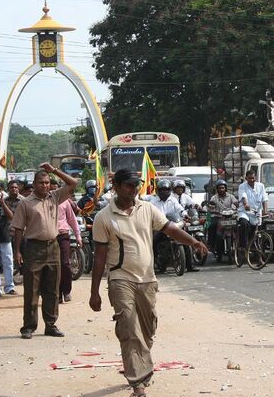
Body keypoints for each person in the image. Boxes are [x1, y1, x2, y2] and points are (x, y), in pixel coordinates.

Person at [89, 169, 208, 397]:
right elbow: (100, 256)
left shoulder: (147, 208)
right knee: (129, 328)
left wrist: (193, 242)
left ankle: (139, 362)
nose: (134, 190)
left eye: (136, 185)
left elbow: (170, 229)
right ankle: (138, 382)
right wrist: (95, 292)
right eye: (129, 185)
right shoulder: (103, 217)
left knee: (148, 330)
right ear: (116, 186)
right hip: (120, 279)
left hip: (147, 279)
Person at [11, 163, 77, 339]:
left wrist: (54, 170)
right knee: (31, 290)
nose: (45, 185)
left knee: (52, 289)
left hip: (53, 246)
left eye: (47, 182)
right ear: (34, 184)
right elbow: (18, 228)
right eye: (41, 182)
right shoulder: (26, 203)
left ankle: (51, 324)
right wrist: (17, 251)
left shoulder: (54, 197)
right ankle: (29, 326)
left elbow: (73, 184)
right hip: (33, 248)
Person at [144, 179, 197, 272]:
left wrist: (185, 215)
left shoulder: (172, 200)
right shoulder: (153, 200)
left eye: (166, 190)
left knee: (186, 242)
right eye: (161, 190)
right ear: (158, 191)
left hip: (173, 225)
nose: (164, 192)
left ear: (169, 190)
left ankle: (190, 265)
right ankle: (151, 266)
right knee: (153, 243)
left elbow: (180, 209)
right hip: (159, 227)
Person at [57, 189, 82, 303]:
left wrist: (78, 236)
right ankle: (56, 293)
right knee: (52, 266)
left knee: (65, 263)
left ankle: (66, 291)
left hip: (63, 235)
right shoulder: (45, 202)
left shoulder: (65, 202)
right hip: (49, 237)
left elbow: (72, 219)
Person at [237, 170, 268, 258]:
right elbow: (243, 196)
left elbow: (264, 199)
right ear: (246, 178)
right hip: (245, 212)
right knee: (244, 224)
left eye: (253, 178)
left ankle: (260, 258)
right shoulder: (242, 186)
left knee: (258, 236)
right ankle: (244, 246)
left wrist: (265, 210)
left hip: (256, 213)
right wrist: (246, 204)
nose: (252, 180)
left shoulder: (261, 186)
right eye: (250, 178)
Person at [206, 180, 238, 254]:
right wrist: (213, 210)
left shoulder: (231, 196)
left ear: (225, 188)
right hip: (218, 216)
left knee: (238, 226)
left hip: (229, 217)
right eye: (219, 188)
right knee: (212, 226)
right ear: (217, 189)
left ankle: (240, 246)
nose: (221, 189)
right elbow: (211, 207)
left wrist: (239, 207)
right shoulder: (214, 198)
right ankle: (211, 244)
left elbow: (236, 203)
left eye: (223, 188)